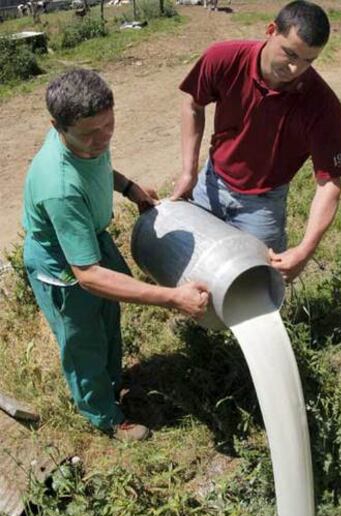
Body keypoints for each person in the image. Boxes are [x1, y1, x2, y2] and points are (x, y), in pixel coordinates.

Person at [23, 69, 209, 442]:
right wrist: (173, 297)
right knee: (83, 343)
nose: (103, 138)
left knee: (108, 318)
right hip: (64, 269)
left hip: (91, 239)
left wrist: (128, 187)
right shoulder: (59, 187)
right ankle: (103, 415)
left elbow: (99, 165)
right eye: (91, 133)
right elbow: (88, 276)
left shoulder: (86, 136)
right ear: (57, 126)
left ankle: (112, 381)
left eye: (108, 125)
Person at [171, 0, 341, 282]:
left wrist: (304, 251)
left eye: (308, 61)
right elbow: (193, 105)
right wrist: (188, 172)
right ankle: (202, 323)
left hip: (264, 203)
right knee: (194, 265)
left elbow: (330, 184)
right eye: (290, 54)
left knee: (260, 283)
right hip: (211, 182)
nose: (295, 69)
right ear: (271, 30)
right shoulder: (224, 58)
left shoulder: (321, 105)